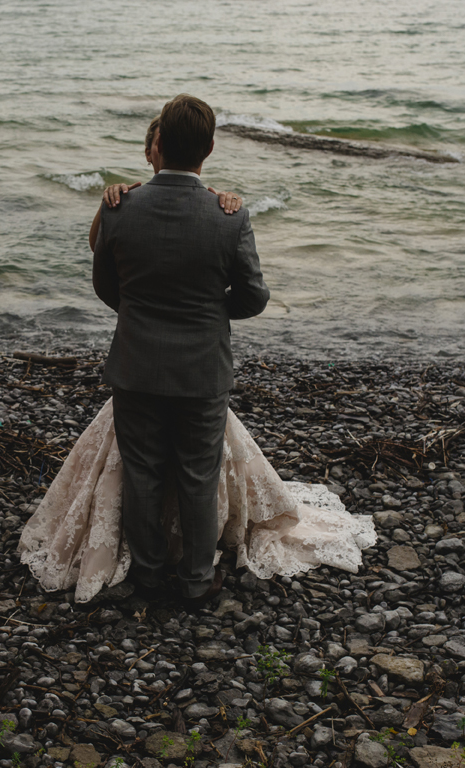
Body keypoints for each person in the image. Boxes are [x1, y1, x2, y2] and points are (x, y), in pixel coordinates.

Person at [19, 95, 377, 606]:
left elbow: (104, 286)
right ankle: (193, 580)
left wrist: (146, 312)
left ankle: (145, 577)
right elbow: (254, 297)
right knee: (197, 472)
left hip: (136, 363)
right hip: (203, 368)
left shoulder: (120, 208)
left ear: (157, 143)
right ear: (209, 149)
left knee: (141, 472)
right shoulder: (228, 216)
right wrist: (205, 315)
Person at [88, 115, 243, 252]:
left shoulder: (211, 204)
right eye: (166, 141)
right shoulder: (126, 201)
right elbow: (97, 246)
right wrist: (108, 204)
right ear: (148, 153)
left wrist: (230, 206)